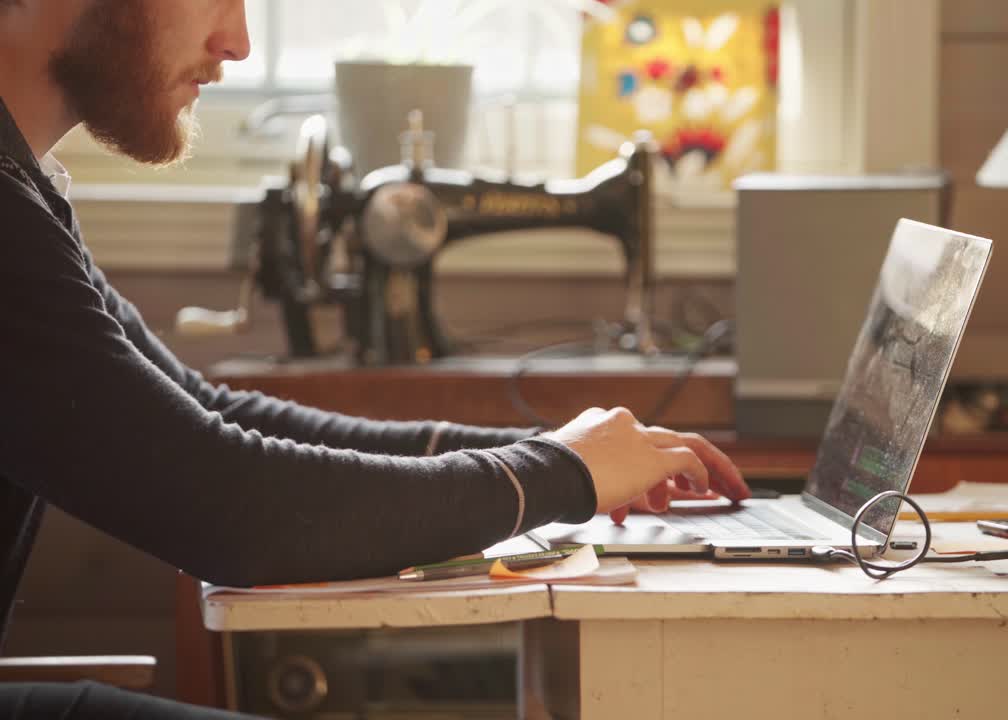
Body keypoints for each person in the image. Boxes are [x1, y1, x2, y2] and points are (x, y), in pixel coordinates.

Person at [0, 1, 750, 717]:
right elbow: (232, 508)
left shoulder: (24, 192)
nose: (238, 42)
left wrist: (556, 453)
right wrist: (559, 475)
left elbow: (211, 413)